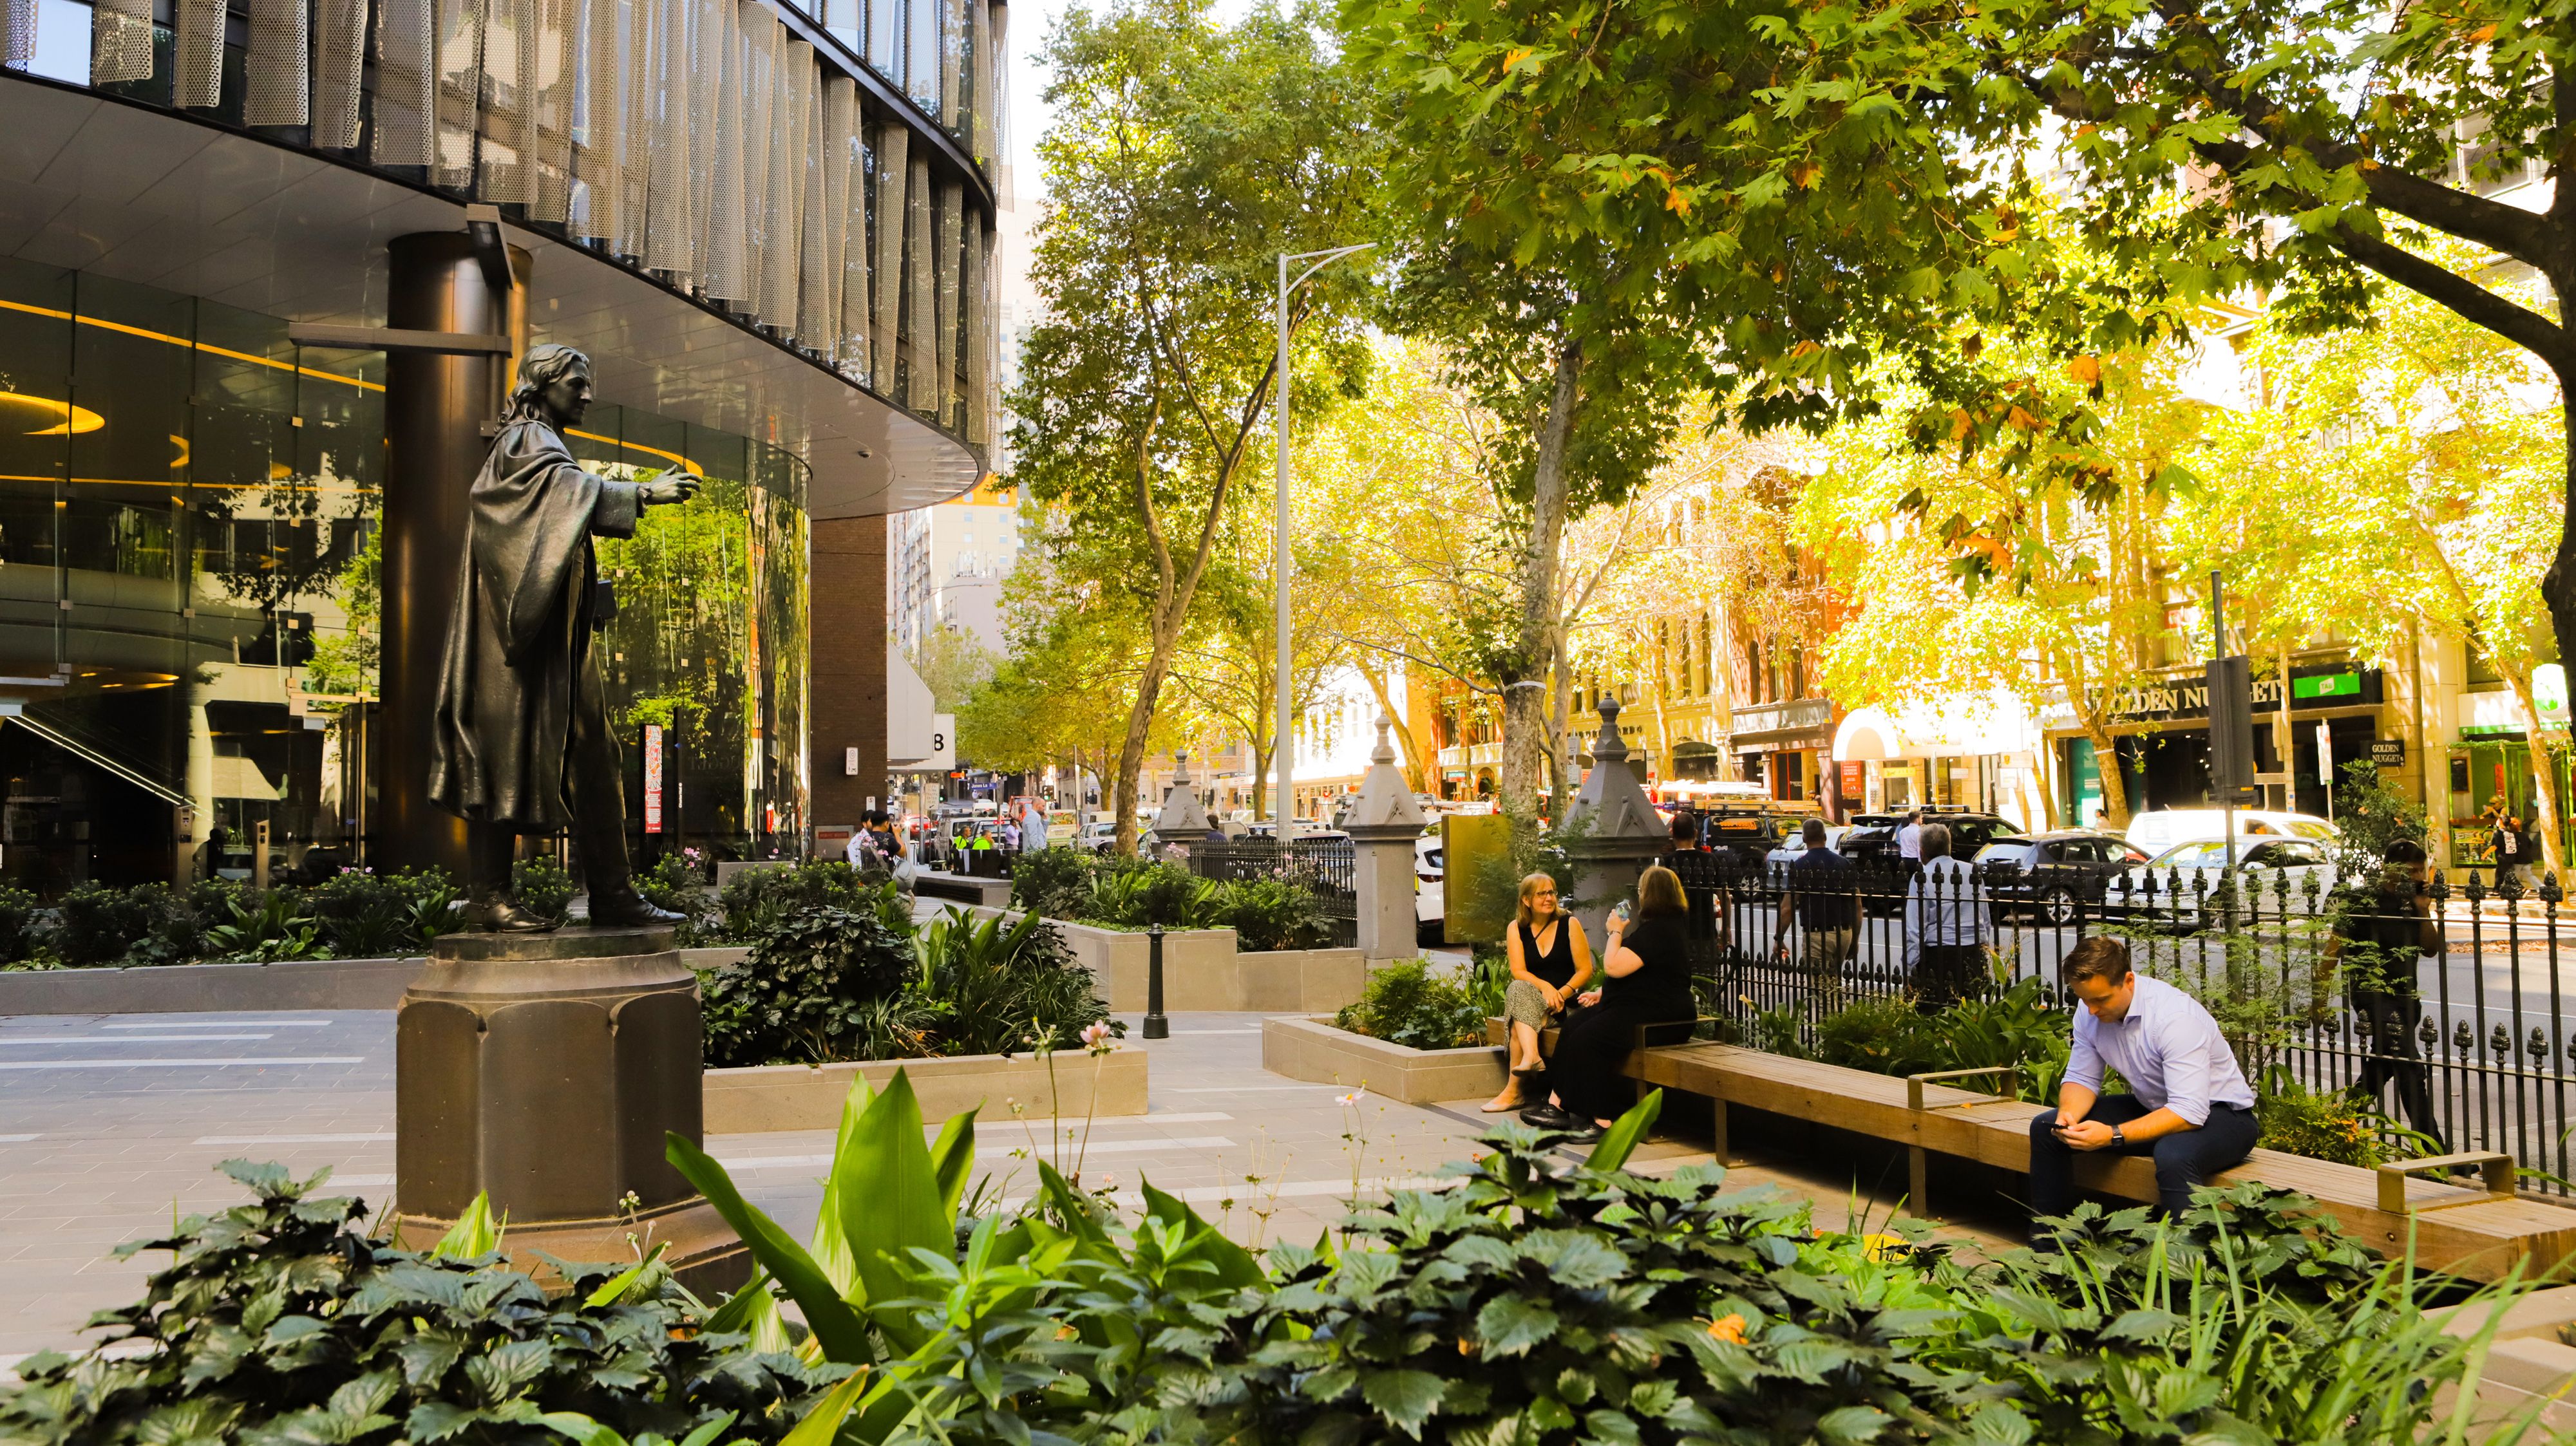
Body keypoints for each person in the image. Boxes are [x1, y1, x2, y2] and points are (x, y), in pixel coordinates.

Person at [427, 343, 696, 932]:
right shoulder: (525, 441)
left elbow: (564, 503)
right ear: (540, 386)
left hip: (559, 639)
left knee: (596, 755)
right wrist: (642, 493)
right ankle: (488, 899)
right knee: (502, 752)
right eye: (576, 384)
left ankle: (613, 893)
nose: (588, 394)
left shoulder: (546, 446)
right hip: (518, 645)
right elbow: (557, 497)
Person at [2027, 936, 2259, 1223]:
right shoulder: (2089, 1012)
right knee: (2046, 1129)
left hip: (2223, 1116)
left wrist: (2112, 1135)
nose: (2092, 1010)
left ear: (2128, 981)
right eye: (2084, 1000)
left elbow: (2190, 1112)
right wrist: (2068, 1118)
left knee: (2174, 1154)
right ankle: (2050, 1250)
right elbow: (2081, 1078)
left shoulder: (2174, 1018)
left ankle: (2184, 1260)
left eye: (2100, 1000)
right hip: (2155, 1106)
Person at [1523, 865, 1700, 1137]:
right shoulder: (1658, 928)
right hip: (1641, 1006)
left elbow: (1615, 967)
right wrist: (1602, 994)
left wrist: (1615, 932)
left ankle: (1602, 1120)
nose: (1639, 896)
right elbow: (1644, 973)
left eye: (1641, 891)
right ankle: (1557, 1104)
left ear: (1651, 895)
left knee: (1590, 1040)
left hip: (1664, 1016)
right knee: (1573, 1027)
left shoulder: (1662, 931)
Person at [2327, 838, 2445, 1149]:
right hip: (2372, 997)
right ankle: (2434, 1149)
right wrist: (2317, 997)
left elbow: (2431, 950)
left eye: (2421, 870)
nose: (2418, 877)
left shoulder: (2414, 903)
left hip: (2406, 999)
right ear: (2388, 869)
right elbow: (2332, 951)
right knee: (2409, 1068)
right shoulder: (2360, 901)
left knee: (2380, 1069)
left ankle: (2336, 1123)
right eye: (2411, 871)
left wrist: (2423, 911)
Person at [1482, 873, 1595, 1114]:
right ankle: (1532, 1055)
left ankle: (1515, 1090)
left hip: (1566, 1006)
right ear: (1526, 900)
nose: (1549, 898)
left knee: (1516, 1022)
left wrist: (1562, 994)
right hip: (1535, 1001)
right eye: (1542, 894)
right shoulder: (1516, 928)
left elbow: (1586, 970)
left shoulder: (1569, 923)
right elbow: (1519, 971)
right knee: (1518, 988)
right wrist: (1546, 988)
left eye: (1552, 892)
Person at [1904, 823, 1992, 1011]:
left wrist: (1910, 967)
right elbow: (1985, 918)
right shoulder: (1972, 872)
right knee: (1969, 1017)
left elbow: (1915, 930)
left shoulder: (1921, 877)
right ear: (1950, 847)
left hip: (1938, 955)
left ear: (1922, 852)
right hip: (1972, 952)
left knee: (1931, 1016)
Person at [1773, 818, 1858, 1011]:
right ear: (1825, 837)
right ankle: (1840, 1026)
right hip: (1844, 932)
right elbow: (1858, 905)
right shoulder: (1844, 864)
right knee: (1834, 984)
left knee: (1822, 992)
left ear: (1804, 838)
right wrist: (1855, 938)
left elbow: (1787, 908)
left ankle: (1831, 1034)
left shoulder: (1801, 866)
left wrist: (1779, 937)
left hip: (1817, 935)